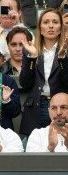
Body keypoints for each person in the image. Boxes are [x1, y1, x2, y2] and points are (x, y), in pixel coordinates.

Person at [19, 8, 68, 137]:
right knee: (34, 149)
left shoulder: (66, 50)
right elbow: (24, 83)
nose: (51, 26)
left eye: (55, 22)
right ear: (40, 28)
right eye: (46, 22)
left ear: (61, 27)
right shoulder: (30, 50)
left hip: (60, 107)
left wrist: (62, 58)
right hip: (36, 106)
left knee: (61, 146)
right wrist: (32, 57)